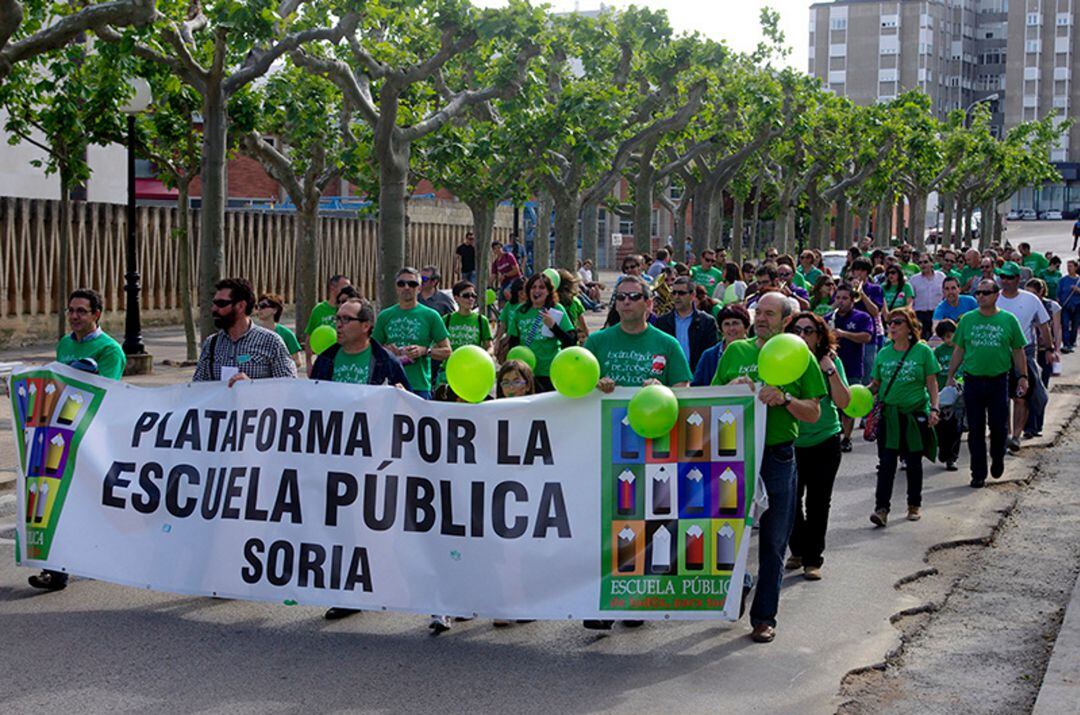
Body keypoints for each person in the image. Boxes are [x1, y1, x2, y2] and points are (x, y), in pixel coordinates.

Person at [712, 293, 826, 643]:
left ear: (785, 320)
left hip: (778, 456)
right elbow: (708, 398)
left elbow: (813, 412)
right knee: (724, 535)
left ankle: (764, 617)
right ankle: (741, 584)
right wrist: (729, 389)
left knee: (774, 541)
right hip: (733, 455)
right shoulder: (735, 351)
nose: (760, 318)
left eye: (769, 313)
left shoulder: (799, 354)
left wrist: (786, 399)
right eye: (758, 312)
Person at [583, 274, 691, 631]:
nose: (626, 302)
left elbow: (684, 391)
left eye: (634, 296)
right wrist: (595, 388)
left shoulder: (667, 344)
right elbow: (576, 391)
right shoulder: (597, 342)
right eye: (620, 297)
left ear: (648, 303)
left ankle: (634, 598)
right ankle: (601, 603)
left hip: (652, 450)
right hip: (604, 448)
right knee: (604, 524)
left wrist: (663, 390)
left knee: (643, 524)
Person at [311, 298, 410, 620]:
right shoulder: (325, 361)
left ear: (366, 326)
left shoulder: (385, 362)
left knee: (370, 526)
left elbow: (409, 407)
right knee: (341, 526)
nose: (337, 324)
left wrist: (399, 396)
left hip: (373, 457)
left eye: (346, 319)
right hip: (334, 454)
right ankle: (350, 591)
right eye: (337, 318)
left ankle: (381, 581)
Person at [26, 355, 104, 592]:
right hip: (65, 473)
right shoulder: (64, 402)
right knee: (58, 519)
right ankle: (55, 573)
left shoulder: (102, 403)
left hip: (90, 475)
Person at [785, 312, 850, 581]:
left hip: (825, 440)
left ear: (819, 335)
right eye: (797, 330)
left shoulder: (830, 361)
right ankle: (798, 550)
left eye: (809, 331)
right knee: (790, 502)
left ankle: (813, 559)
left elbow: (844, 402)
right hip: (791, 441)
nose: (802, 336)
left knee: (818, 502)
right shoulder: (783, 358)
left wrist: (830, 370)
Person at [945, 279, 1028, 488]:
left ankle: (998, 457)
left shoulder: (1008, 320)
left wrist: (1023, 376)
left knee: (999, 427)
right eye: (978, 293)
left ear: (996, 295)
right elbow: (959, 349)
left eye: (985, 293)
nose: (980, 296)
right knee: (975, 429)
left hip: (998, 380)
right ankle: (978, 472)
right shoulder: (967, 320)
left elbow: (1018, 349)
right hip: (973, 380)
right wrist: (950, 374)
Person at [868, 307, 940, 527]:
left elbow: (931, 382)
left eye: (898, 322)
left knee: (914, 462)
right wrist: (855, 394)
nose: (892, 326)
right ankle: (881, 510)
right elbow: (876, 384)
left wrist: (934, 409)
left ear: (909, 327)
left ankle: (914, 505)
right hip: (890, 416)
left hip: (914, 414)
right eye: (890, 322)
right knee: (887, 463)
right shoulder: (883, 353)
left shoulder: (922, 351)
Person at [193, 278, 298, 384]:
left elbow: (288, 387)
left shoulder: (271, 341)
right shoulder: (211, 343)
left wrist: (252, 386)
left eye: (221, 303)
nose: (214, 309)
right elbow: (197, 389)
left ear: (241, 306)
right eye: (214, 303)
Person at [995, 261, 1052, 453]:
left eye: (1009, 277)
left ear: (1018, 279)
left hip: (1025, 350)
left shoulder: (1031, 299)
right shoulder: (994, 299)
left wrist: (1050, 348)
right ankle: (1006, 434)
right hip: (1000, 351)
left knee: (1022, 397)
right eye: (1002, 277)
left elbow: (1044, 324)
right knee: (1003, 398)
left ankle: (1016, 436)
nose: (1005, 281)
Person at [372, 267, 452, 400]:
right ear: (396, 288)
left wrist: (425, 351)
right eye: (401, 284)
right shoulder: (385, 316)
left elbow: (447, 352)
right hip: (390, 384)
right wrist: (387, 350)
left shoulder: (431, 315)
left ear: (419, 288)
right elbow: (371, 349)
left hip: (419, 386)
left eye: (412, 284)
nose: (406, 287)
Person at [507, 273, 576, 392]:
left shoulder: (556, 309)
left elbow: (571, 341)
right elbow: (513, 341)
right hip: (526, 372)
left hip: (549, 371)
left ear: (549, 291)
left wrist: (553, 326)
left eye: (542, 287)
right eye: (533, 287)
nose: (537, 290)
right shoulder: (521, 311)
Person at [830, 284, 873, 451]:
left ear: (852, 300)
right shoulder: (829, 317)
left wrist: (843, 334)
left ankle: (847, 438)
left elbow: (867, 337)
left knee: (848, 402)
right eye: (838, 298)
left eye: (844, 298)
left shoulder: (862, 317)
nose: (840, 302)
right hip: (832, 366)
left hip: (853, 365)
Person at [55, 288, 126, 379]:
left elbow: (105, 389)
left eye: (81, 311)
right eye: (71, 310)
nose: (74, 316)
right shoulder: (65, 342)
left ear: (96, 315)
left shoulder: (110, 350)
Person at [654, 276, 719, 373]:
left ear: (693, 295)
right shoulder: (662, 322)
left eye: (681, 293)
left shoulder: (707, 321)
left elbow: (711, 356)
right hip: (670, 377)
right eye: (674, 293)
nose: (676, 297)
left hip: (697, 378)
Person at [692, 304, 750, 386]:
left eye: (735, 323)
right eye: (727, 324)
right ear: (721, 329)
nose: (731, 328)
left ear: (746, 327)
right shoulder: (709, 356)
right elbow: (696, 387)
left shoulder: (755, 350)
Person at [932, 320, 962, 472]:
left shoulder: (962, 349)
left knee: (956, 427)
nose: (949, 340)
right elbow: (933, 373)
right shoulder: (938, 352)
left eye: (952, 335)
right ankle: (943, 450)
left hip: (959, 394)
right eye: (946, 337)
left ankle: (952, 458)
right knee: (942, 426)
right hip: (943, 394)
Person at [305, 274, 351, 371]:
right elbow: (309, 337)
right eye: (345, 286)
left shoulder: (351, 309)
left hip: (346, 359)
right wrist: (309, 363)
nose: (348, 289)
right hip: (324, 360)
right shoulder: (318, 310)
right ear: (332, 288)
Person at [255, 293, 302, 371]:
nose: (259, 309)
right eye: (257, 306)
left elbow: (297, 361)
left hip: (280, 379)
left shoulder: (286, 334)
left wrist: (279, 367)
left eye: (263, 306)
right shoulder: (253, 333)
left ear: (275, 310)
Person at [909, 255, 946, 340]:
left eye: (925, 262)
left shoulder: (941, 276)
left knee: (938, 339)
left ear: (932, 263)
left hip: (937, 313)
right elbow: (911, 299)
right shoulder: (914, 279)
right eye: (920, 263)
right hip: (920, 315)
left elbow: (945, 295)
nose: (923, 265)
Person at [556, 269, 589, 344]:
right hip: (572, 339)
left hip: (556, 341)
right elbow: (583, 325)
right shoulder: (575, 301)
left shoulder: (552, 302)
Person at [1058, 259, 1080, 353]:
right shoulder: (1063, 280)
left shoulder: (1079, 280)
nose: (1068, 268)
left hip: (1078, 306)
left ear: (1076, 267)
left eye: (1071, 266)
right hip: (1066, 306)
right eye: (1067, 266)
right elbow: (1058, 294)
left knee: (1075, 326)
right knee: (1065, 325)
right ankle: (1066, 344)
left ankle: (1071, 342)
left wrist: (1078, 290)